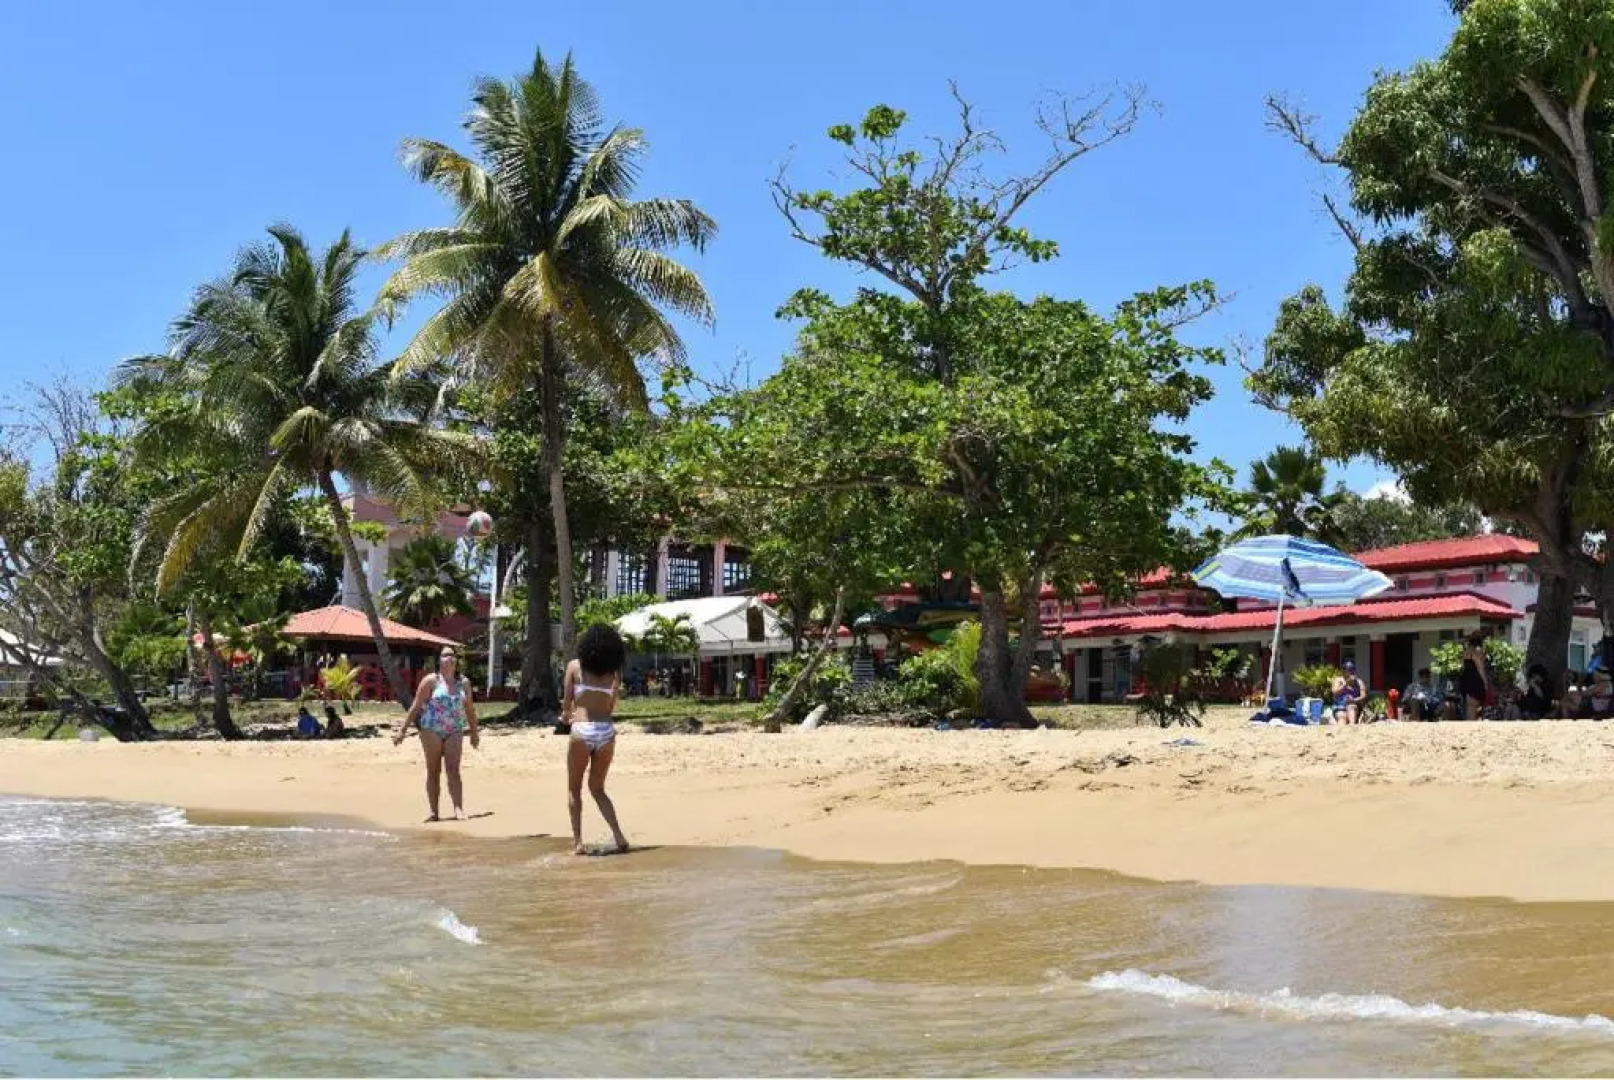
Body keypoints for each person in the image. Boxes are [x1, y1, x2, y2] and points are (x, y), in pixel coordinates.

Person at [563, 625, 630, 855]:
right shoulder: (613, 674)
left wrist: (565, 716)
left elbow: (566, 705)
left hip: (581, 730)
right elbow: (611, 706)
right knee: (598, 788)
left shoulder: (574, 667)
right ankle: (619, 836)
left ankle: (578, 843)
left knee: (574, 789)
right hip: (606, 732)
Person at [393, 646, 479, 822]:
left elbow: (470, 709)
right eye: (446, 655)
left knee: (453, 770)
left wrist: (474, 733)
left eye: (453, 656)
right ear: (439, 660)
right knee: (434, 771)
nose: (450, 658)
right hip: (431, 729)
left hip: (454, 729)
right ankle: (434, 812)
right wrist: (402, 730)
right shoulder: (431, 681)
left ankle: (459, 809)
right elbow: (416, 706)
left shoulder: (463, 682)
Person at [1459, 631, 1491, 721]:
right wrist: (1485, 683)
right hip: (1475, 680)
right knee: (1475, 706)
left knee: (1470, 706)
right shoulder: (1477, 651)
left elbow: (1463, 666)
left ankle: (1469, 724)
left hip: (1466, 679)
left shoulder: (1466, 651)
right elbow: (1480, 668)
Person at [1331, 659, 1366, 724]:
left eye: (1353, 669)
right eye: (1349, 669)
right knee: (1342, 717)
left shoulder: (1359, 682)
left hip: (1353, 704)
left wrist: (1354, 700)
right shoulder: (1338, 680)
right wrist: (1345, 685)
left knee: (1351, 707)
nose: (1351, 671)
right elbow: (1334, 692)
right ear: (1343, 671)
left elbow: (1363, 696)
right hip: (1340, 705)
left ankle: (1352, 727)